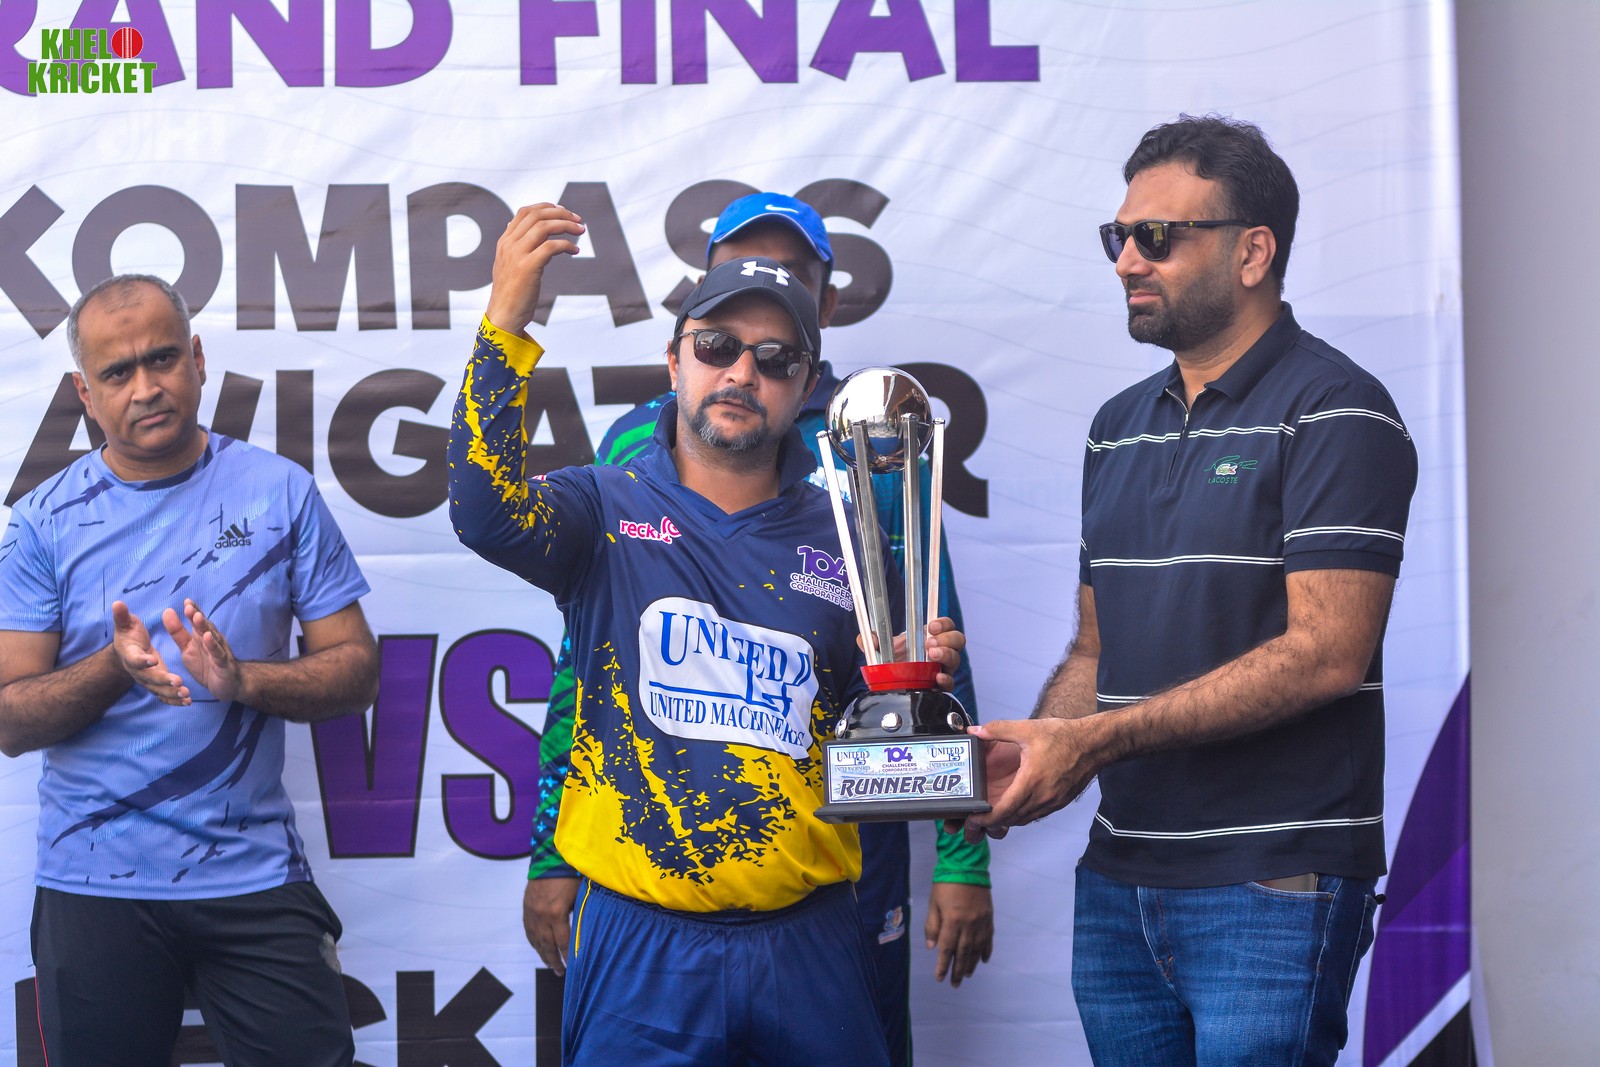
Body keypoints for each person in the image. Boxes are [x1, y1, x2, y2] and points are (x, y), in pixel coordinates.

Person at [449, 212, 966, 1065]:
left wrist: (911, 693)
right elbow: (481, 511)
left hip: (809, 941)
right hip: (641, 942)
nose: (741, 373)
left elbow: (865, 757)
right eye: (718, 345)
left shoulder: (849, 532)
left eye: (775, 359)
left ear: (806, 387)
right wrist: (507, 319)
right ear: (674, 361)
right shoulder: (604, 503)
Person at [957, 116, 1419, 1065]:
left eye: (1157, 237)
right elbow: (1096, 651)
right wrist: (1038, 750)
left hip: (1272, 883)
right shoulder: (1115, 426)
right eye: (1118, 236)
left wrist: (1090, 743)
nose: (1127, 260)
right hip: (1120, 880)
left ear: (1253, 252)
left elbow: (1326, 654)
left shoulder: (1339, 410)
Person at [0, 274, 380, 1066]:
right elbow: (9, 720)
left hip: (251, 874)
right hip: (94, 882)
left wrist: (247, 681)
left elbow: (357, 671)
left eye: (163, 358)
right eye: (117, 372)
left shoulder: (280, 492)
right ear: (85, 392)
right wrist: (115, 667)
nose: (146, 387)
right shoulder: (41, 522)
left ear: (198, 359)